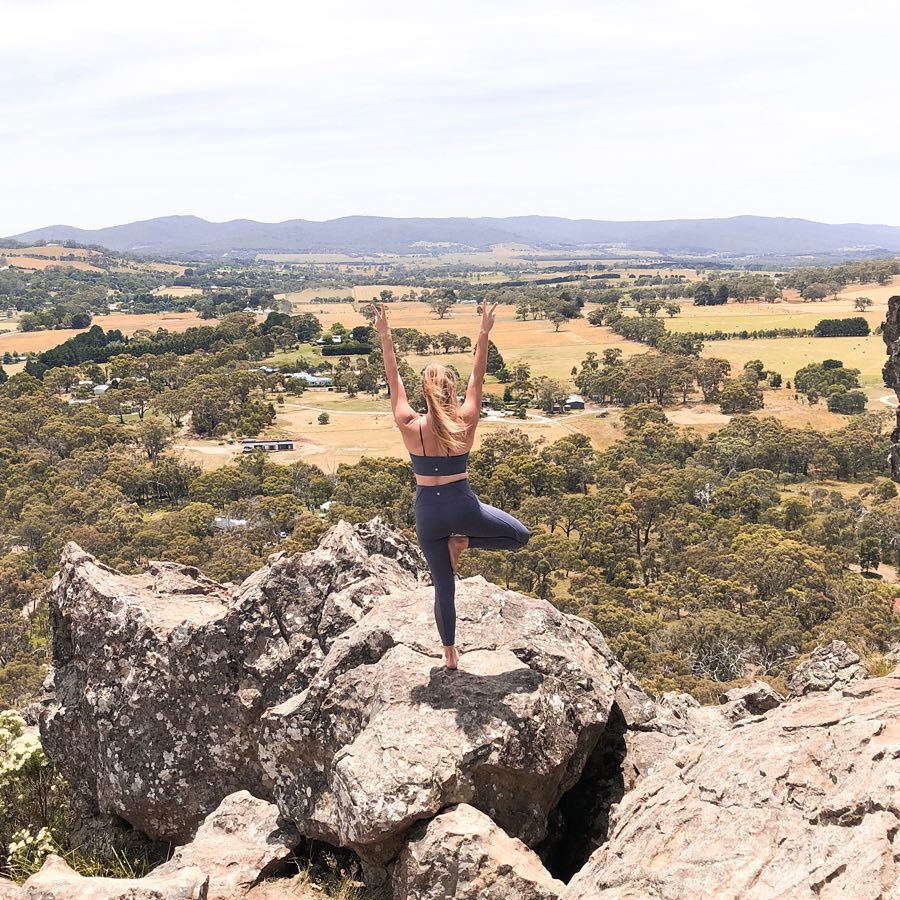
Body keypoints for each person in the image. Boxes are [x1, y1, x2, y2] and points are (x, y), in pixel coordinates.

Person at [373, 301, 530, 670]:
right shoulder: (466, 421)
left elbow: (392, 379)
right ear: (451, 391)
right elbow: (479, 377)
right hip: (463, 506)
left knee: (444, 586)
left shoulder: (409, 423)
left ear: (425, 394)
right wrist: (484, 332)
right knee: (519, 536)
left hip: (428, 513)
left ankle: (449, 655)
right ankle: (465, 542)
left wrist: (385, 334)